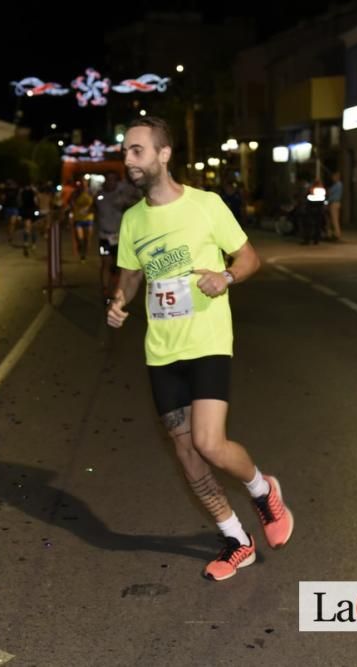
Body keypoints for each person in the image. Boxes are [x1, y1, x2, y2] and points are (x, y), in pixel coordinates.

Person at [107, 117, 293, 581]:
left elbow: (248, 258)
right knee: (187, 453)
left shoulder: (207, 206)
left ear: (163, 155)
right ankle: (237, 540)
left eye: (137, 150)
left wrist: (225, 277)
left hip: (207, 341)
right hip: (161, 350)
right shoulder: (132, 220)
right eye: (126, 151)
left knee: (209, 442)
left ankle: (261, 488)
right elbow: (130, 273)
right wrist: (118, 301)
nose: (128, 159)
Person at [94, 171, 138, 302]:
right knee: (105, 263)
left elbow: (137, 200)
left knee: (119, 266)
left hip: (120, 237)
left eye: (113, 179)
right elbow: (95, 211)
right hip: (104, 237)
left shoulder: (122, 196)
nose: (110, 182)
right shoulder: (99, 196)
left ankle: (117, 290)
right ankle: (105, 290)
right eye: (108, 179)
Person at [71, 179, 95, 261]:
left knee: (87, 239)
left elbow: (94, 204)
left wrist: (89, 209)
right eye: (82, 184)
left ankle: (85, 254)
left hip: (89, 218)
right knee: (80, 238)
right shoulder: (76, 193)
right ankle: (81, 252)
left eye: (85, 184)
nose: (83, 186)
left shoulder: (91, 192)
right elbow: (72, 203)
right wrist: (75, 209)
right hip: (79, 219)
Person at [17, 181, 40, 257]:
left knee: (27, 227)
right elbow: (36, 201)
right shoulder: (33, 192)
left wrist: (19, 212)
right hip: (32, 210)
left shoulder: (22, 192)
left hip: (25, 211)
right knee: (33, 227)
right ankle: (33, 243)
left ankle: (26, 242)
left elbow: (19, 201)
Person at [326, 171, 343, 241]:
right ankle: (332, 234)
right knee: (332, 219)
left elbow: (329, 191)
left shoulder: (338, 185)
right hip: (334, 203)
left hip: (334, 203)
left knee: (334, 219)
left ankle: (337, 234)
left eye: (334, 177)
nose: (333, 178)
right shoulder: (337, 184)